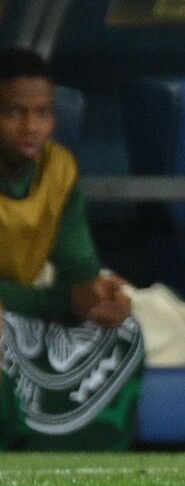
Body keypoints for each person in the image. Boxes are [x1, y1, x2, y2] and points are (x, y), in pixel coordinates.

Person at [0, 47, 144, 450]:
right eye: (14, 112)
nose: (31, 127)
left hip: (24, 312)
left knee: (124, 330)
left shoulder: (58, 168)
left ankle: (93, 460)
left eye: (43, 113)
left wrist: (97, 297)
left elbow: (79, 268)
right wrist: (58, 300)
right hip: (14, 314)